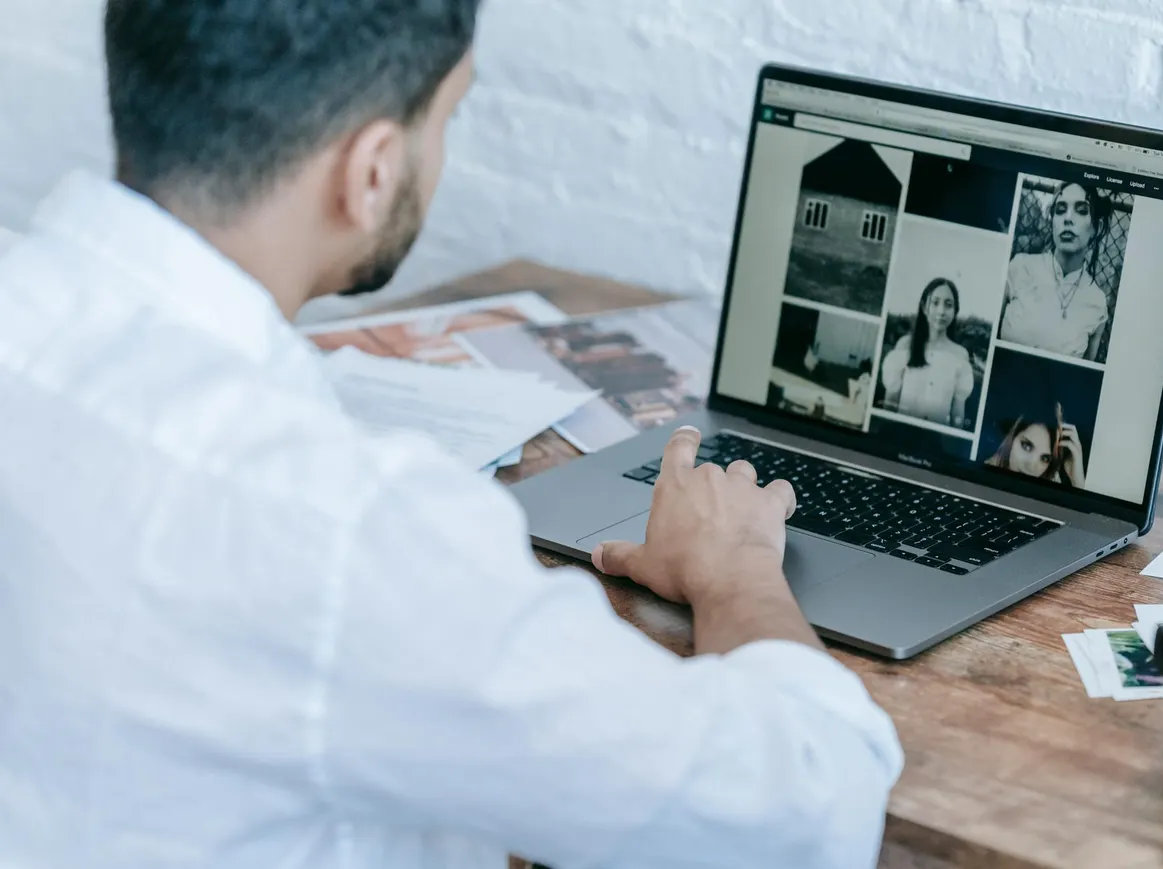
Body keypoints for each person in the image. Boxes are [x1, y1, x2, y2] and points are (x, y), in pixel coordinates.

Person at [0, 2, 903, 867]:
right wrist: (739, 569)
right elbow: (805, 813)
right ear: (373, 171)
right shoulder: (345, 530)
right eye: (449, 115)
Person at [999, 182, 1111, 362]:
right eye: (1060, 210)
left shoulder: (1097, 302)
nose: (1068, 218)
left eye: (1081, 210)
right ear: (1053, 222)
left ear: (1094, 228)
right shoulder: (1020, 267)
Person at [880, 278, 976, 429]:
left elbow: (958, 412)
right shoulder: (905, 345)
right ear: (925, 307)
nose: (941, 311)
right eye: (935, 303)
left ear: (955, 310)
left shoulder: (960, 355)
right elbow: (891, 401)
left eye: (948, 305)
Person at [985, 404, 1087, 488]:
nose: (1031, 466)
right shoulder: (982, 475)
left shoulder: (1049, 484)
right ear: (1011, 435)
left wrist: (1077, 483)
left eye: (1045, 458)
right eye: (1026, 446)